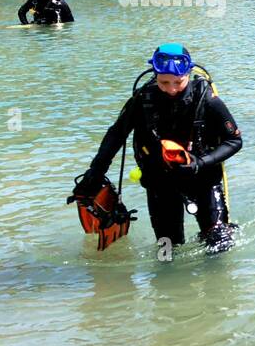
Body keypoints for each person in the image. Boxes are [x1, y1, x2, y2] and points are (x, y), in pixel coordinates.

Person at [71, 44, 242, 253]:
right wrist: (95, 173)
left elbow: (234, 141)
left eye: (178, 82)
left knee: (219, 243)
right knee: (167, 250)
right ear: (155, 74)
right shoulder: (143, 99)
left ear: (188, 74)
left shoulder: (207, 99)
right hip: (160, 181)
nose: (171, 89)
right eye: (164, 82)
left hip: (203, 177)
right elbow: (116, 135)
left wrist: (200, 163)